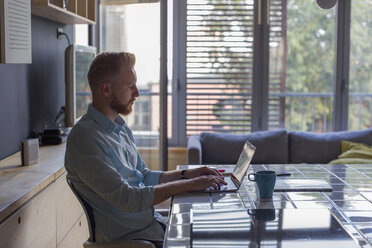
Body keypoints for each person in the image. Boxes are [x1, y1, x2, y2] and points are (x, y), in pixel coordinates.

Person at [64, 52, 226, 247]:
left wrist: (188, 175)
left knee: (212, 232)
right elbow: (127, 198)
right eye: (130, 86)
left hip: (153, 227)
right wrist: (189, 185)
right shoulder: (85, 139)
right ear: (106, 89)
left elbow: (144, 175)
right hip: (135, 241)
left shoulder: (120, 128)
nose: (137, 93)